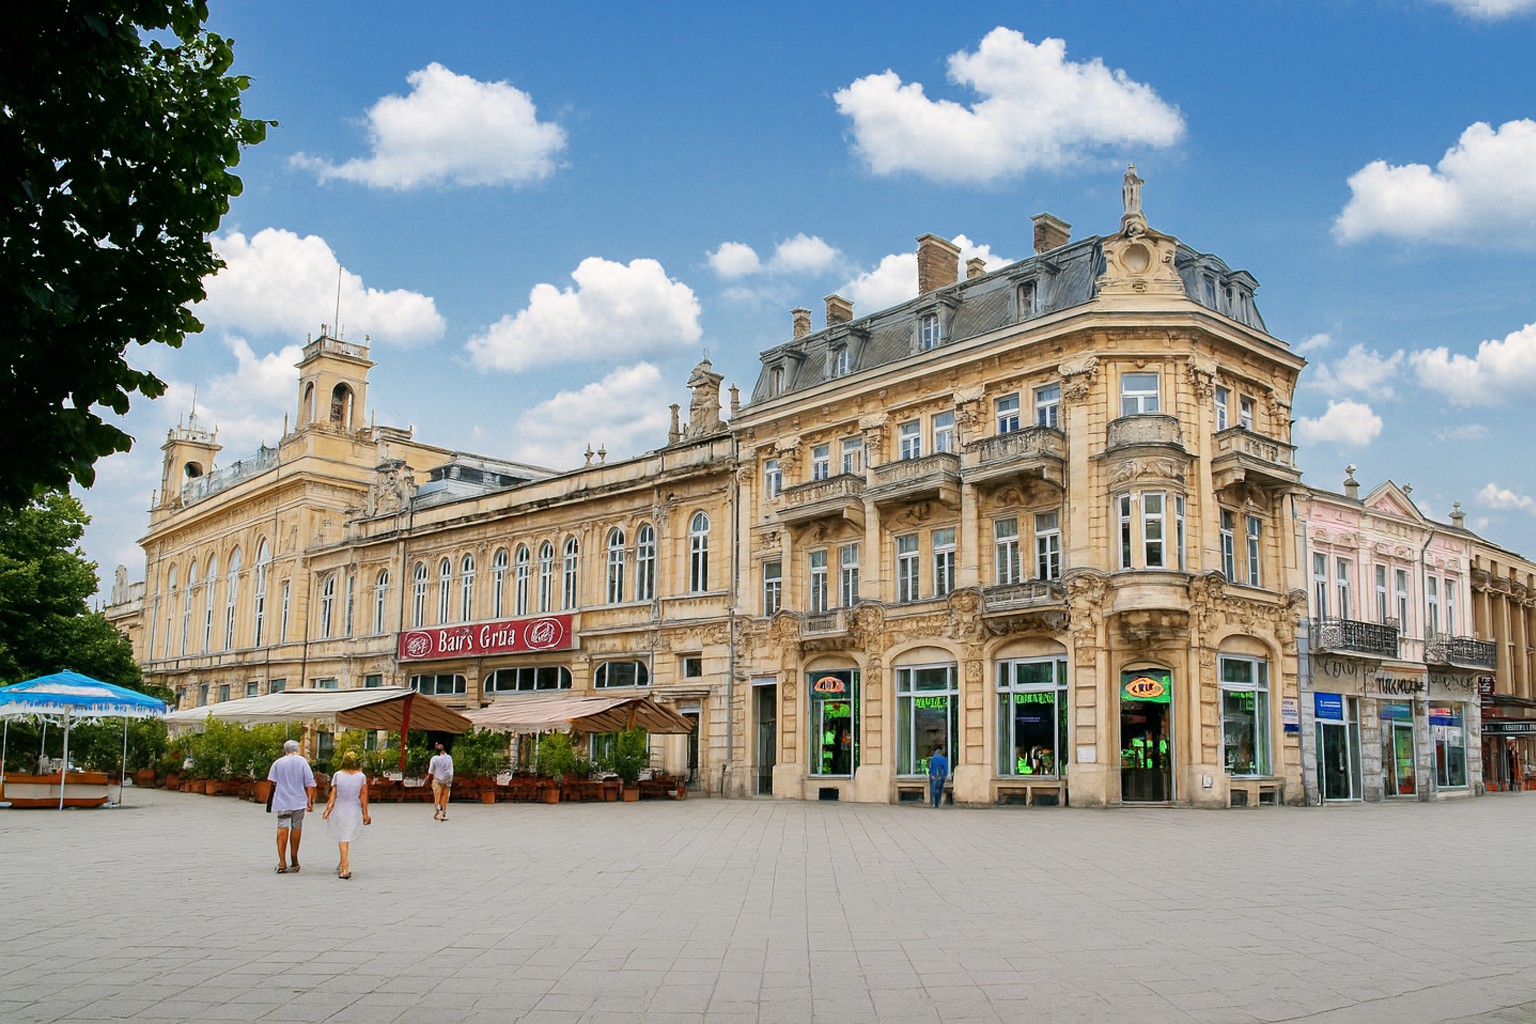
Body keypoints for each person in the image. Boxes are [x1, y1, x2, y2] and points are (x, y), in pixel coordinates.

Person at [267, 739, 315, 873]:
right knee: (296, 826)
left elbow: (271, 782)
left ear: (285, 750)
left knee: (282, 826)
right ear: (297, 749)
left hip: (282, 800)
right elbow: (309, 783)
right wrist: (309, 801)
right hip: (299, 800)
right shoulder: (302, 762)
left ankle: (282, 861)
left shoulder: (278, 763)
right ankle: (294, 858)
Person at [322, 751, 371, 880]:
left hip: (339, 808)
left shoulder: (337, 775)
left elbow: (333, 793)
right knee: (345, 837)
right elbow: (363, 796)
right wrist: (365, 813)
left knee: (342, 838)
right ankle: (344, 865)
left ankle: (343, 864)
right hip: (353, 809)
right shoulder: (361, 776)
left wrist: (328, 809)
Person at [425, 741, 454, 821]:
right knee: (444, 797)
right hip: (447, 781)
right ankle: (443, 811)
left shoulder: (434, 759)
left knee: (437, 796)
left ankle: (438, 813)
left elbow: (430, 772)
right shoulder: (449, 758)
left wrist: (427, 778)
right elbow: (451, 770)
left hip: (438, 780)